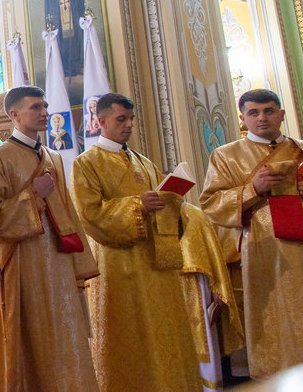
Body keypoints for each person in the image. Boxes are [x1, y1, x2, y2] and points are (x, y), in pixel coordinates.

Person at [70, 92, 200, 390]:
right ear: (101, 121)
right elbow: (88, 215)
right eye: (121, 119)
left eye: (131, 119)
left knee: (166, 333)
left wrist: (171, 201)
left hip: (157, 262)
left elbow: (165, 208)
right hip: (120, 267)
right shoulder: (86, 163)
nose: (128, 125)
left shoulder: (144, 162)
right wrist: (137, 205)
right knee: (131, 335)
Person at [0, 86, 98, 391]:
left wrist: (77, 266)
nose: (45, 112)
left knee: (65, 336)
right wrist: (33, 196)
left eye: (45, 106)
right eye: (36, 107)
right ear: (15, 114)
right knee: (31, 340)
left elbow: (67, 211)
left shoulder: (53, 157)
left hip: (59, 263)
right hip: (23, 263)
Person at [200, 88, 303, 379]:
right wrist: (253, 189)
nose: (262, 118)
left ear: (281, 114)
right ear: (243, 118)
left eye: (268, 111)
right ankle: (277, 378)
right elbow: (211, 204)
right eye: (253, 112)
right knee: (276, 319)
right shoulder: (225, 156)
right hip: (262, 252)